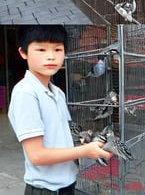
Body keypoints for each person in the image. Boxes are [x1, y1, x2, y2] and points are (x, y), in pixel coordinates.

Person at [8, 25, 113, 194]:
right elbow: (37, 156)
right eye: (41, 49)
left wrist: (90, 141)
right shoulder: (26, 93)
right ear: (23, 52)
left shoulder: (57, 93)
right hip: (45, 190)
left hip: (68, 185)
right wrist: (86, 151)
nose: (51, 56)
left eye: (57, 49)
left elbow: (60, 136)